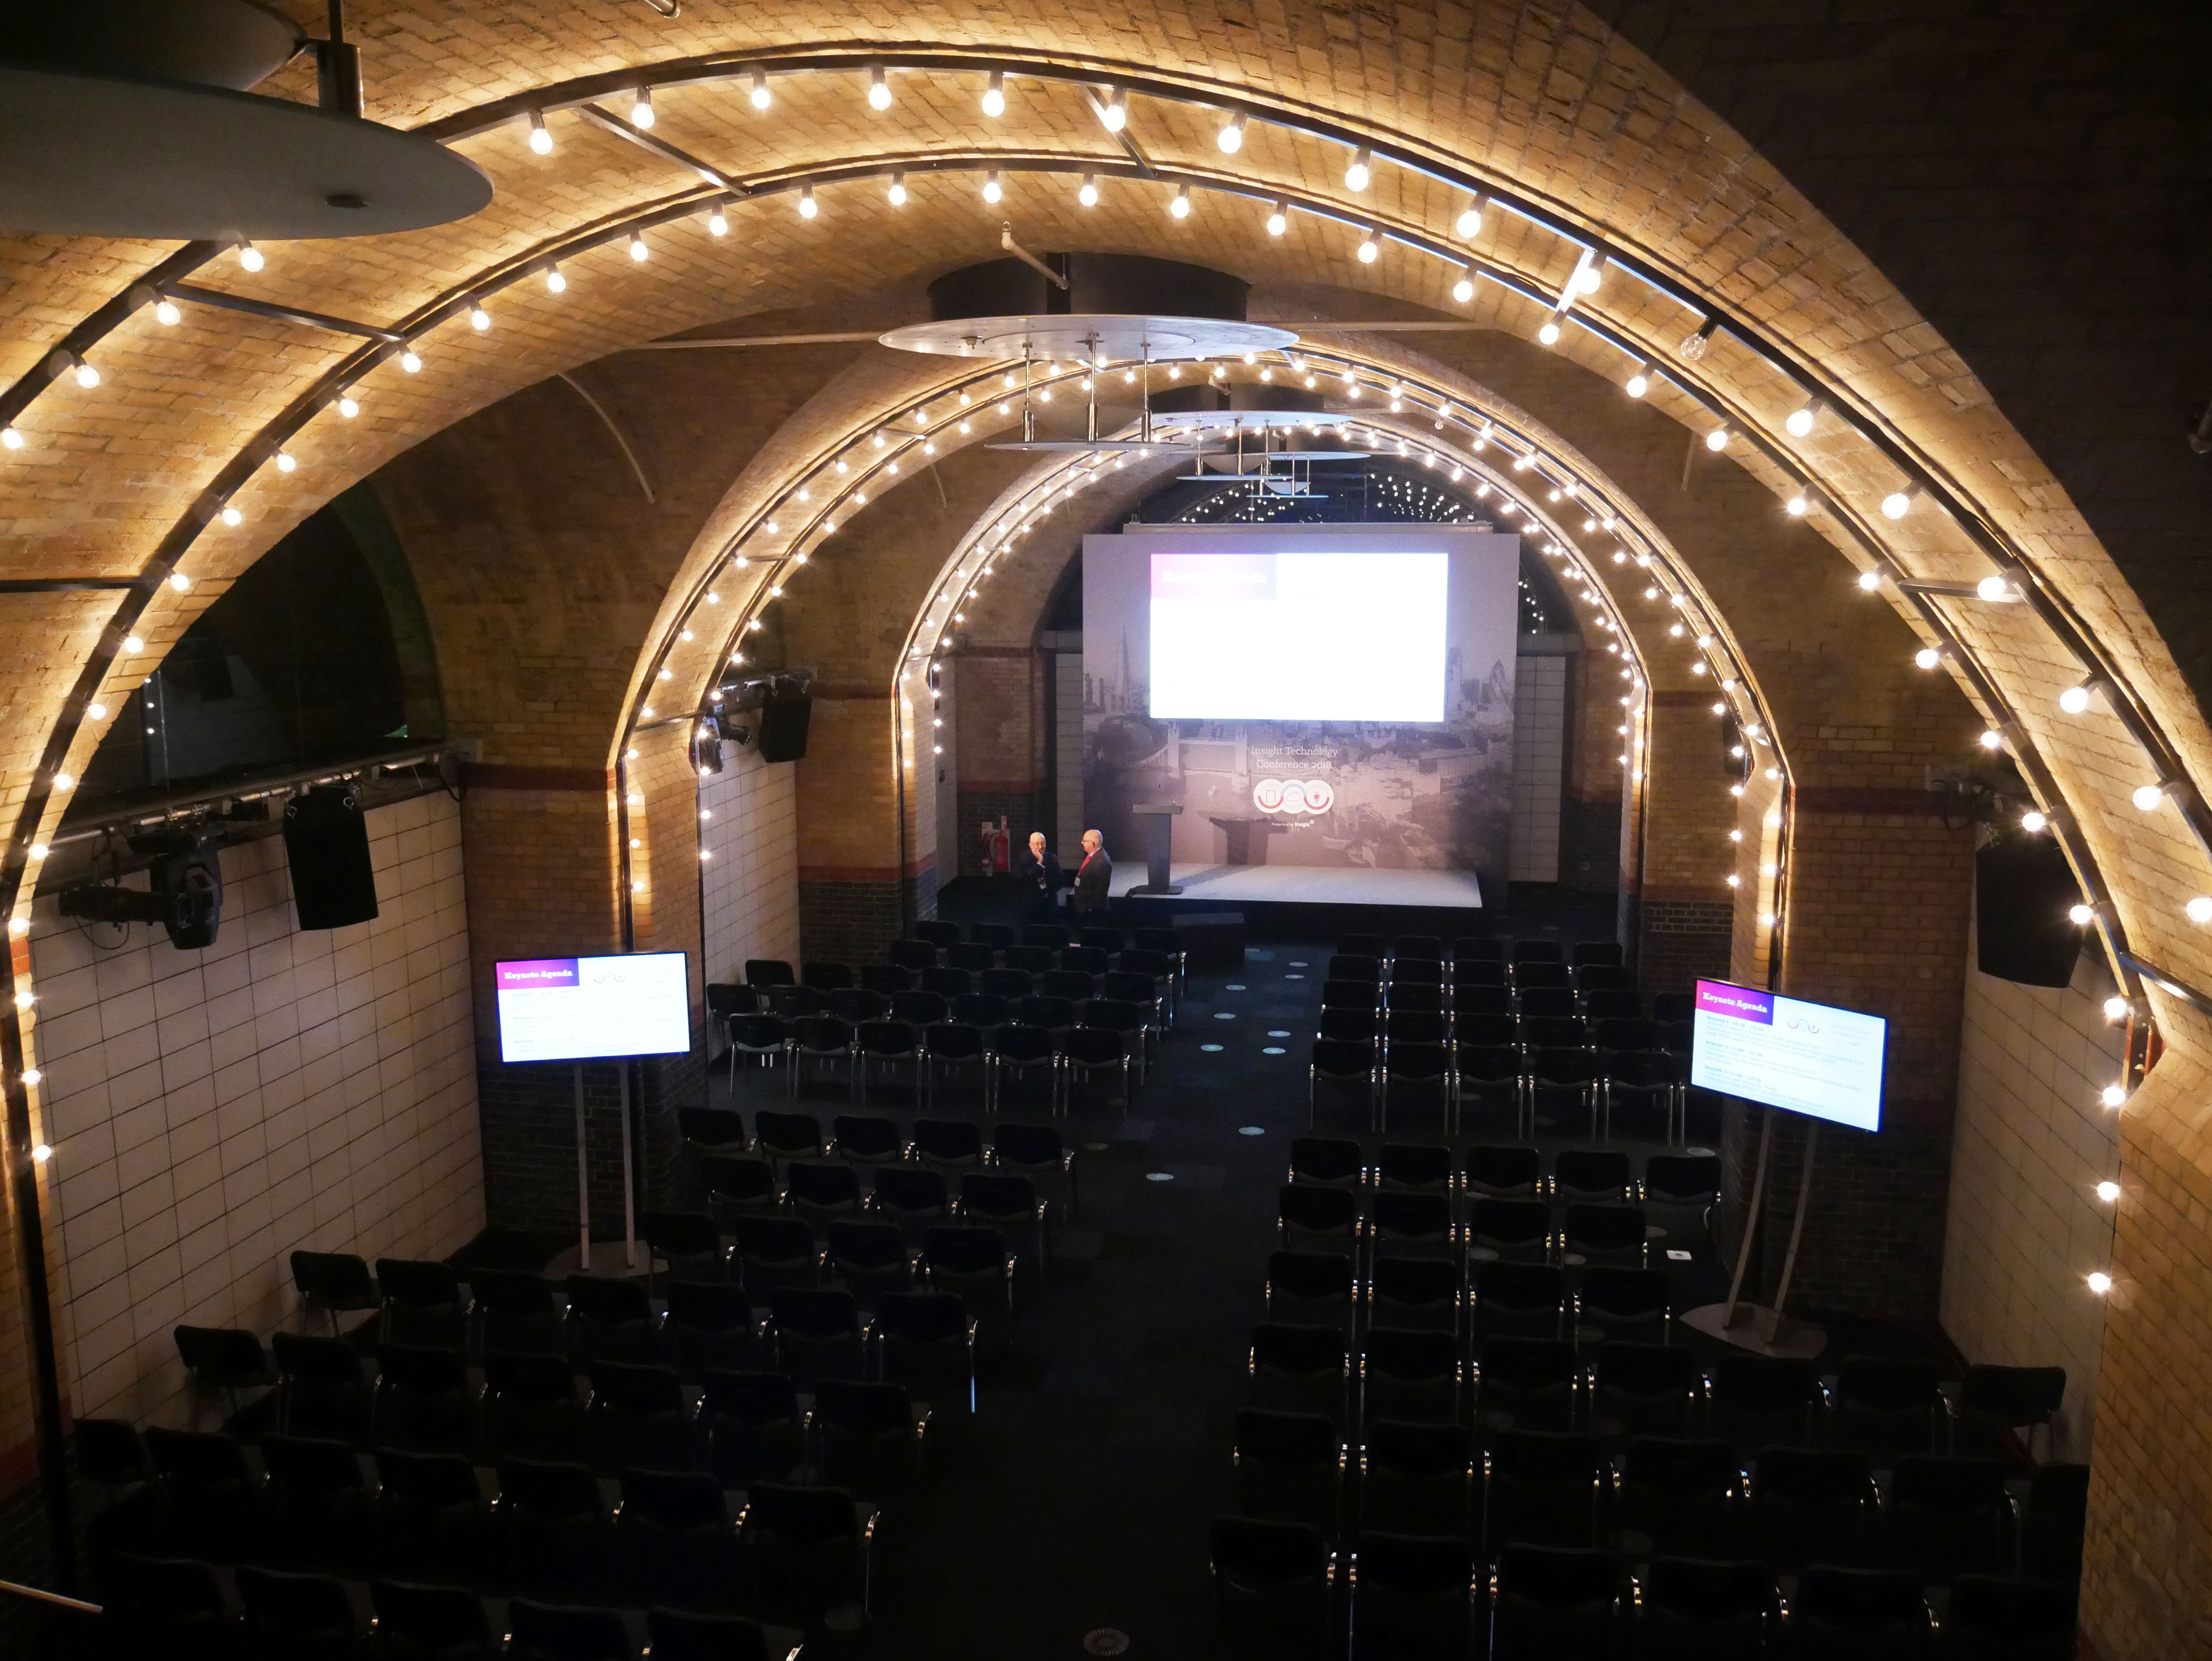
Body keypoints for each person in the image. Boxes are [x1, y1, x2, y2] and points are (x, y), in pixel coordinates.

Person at [1013, 830, 1064, 924]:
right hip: (1032, 906)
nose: (1041, 847)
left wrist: (1050, 888)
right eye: (1037, 844)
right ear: (1031, 845)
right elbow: (1028, 878)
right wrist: (1040, 862)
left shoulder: (1052, 858)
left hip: (1050, 904)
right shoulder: (1025, 859)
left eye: (1043, 843)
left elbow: (1060, 879)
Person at [1070, 828, 1111, 916]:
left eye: (1084, 840)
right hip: (1082, 906)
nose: (1082, 842)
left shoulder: (1102, 862)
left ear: (1092, 844)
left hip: (1092, 912)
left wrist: (1090, 908)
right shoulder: (1093, 854)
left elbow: (1101, 890)